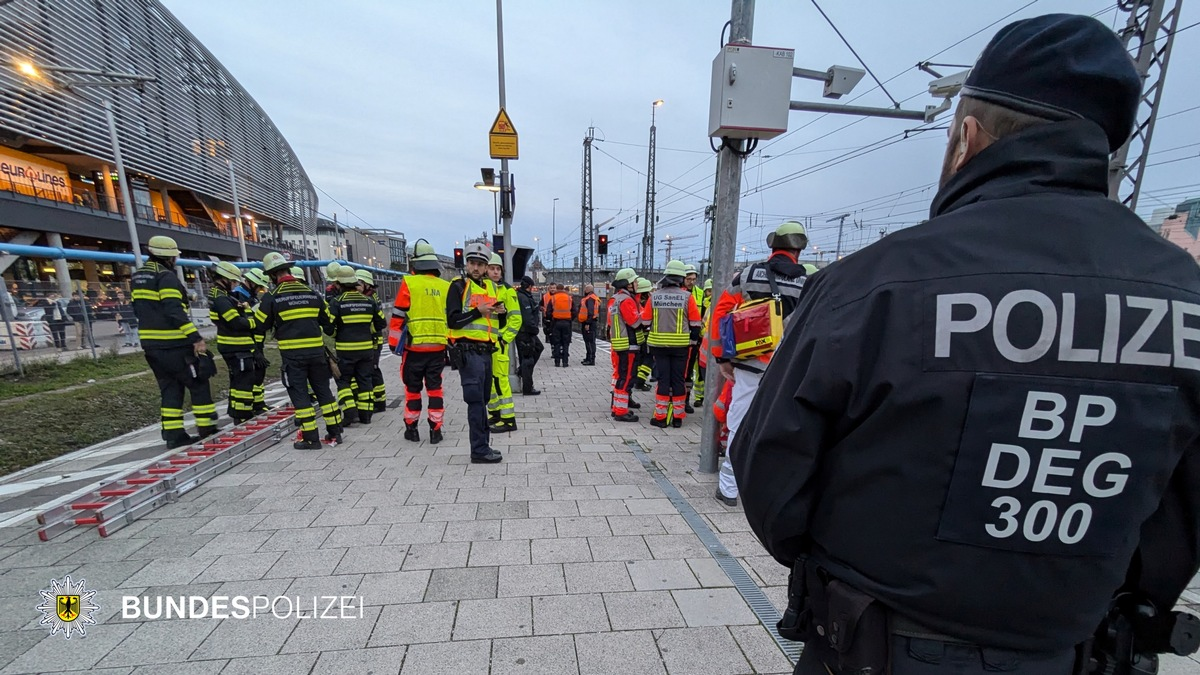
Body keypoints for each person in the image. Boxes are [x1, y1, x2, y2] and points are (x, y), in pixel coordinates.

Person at [734, 15, 1200, 675]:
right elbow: (1182, 514)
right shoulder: (1187, 299)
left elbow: (771, 478)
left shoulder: (874, 285)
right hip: (1071, 649)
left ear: (967, 138)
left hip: (877, 646)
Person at [710, 220, 809, 507]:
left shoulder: (749, 275)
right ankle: (768, 489)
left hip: (750, 363)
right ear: (798, 252)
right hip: (787, 369)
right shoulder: (808, 284)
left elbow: (721, 313)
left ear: (773, 246)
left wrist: (722, 357)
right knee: (779, 427)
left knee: (739, 423)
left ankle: (728, 489)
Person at [131, 236, 217, 448]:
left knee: (170, 389)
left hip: (151, 346)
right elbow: (174, 311)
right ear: (168, 257)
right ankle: (206, 428)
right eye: (174, 257)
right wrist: (195, 338)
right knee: (197, 382)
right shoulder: (165, 277)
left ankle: (173, 435)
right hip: (174, 344)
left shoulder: (138, 277)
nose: (175, 260)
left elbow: (137, 309)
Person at [255, 251, 343, 449]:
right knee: (324, 392)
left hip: (293, 357)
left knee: (300, 395)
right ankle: (335, 433)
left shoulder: (272, 297)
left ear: (271, 276)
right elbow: (329, 323)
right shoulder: (313, 293)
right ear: (289, 270)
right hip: (317, 354)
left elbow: (259, 326)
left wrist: (258, 346)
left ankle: (311, 438)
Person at [446, 242, 503, 463]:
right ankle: (478, 450)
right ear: (466, 264)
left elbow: (494, 322)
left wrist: (501, 312)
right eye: (472, 263)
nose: (476, 268)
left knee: (484, 399)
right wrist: (477, 312)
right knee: (475, 402)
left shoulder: (491, 288)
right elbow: (453, 320)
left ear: (487, 267)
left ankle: (484, 446)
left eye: (480, 264)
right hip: (468, 352)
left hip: (486, 351)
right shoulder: (458, 286)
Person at [390, 239, 450, 443]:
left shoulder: (410, 283)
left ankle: (412, 429)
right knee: (435, 389)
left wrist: (393, 343)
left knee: (413, 390)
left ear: (415, 263)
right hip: (438, 347)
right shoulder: (445, 286)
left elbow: (398, 315)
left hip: (414, 348)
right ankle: (436, 430)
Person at [641, 260, 701, 428]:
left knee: (663, 379)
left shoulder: (654, 296)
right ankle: (677, 417)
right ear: (681, 279)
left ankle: (660, 417)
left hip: (658, 346)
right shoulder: (687, 297)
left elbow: (645, 321)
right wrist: (692, 341)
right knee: (678, 380)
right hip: (681, 347)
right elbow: (696, 323)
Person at [327, 266, 385, 426]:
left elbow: (329, 327)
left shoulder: (336, 302)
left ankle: (350, 411)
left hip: (345, 350)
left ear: (339, 284)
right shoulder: (369, 301)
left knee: (343, 380)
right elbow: (381, 323)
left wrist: (338, 333)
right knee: (365, 380)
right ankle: (366, 415)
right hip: (366, 349)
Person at [207, 261, 258, 425]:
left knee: (237, 381)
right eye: (234, 281)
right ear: (225, 279)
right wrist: (251, 320)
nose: (235, 285)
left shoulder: (221, 296)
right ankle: (243, 414)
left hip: (233, 346)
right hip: (236, 346)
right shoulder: (221, 299)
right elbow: (235, 323)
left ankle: (237, 412)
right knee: (244, 381)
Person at [486, 253, 523, 433]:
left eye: (497, 269)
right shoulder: (483, 289)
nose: (495, 272)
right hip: (485, 342)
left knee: (501, 380)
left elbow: (516, 320)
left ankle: (508, 419)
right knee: (491, 381)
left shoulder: (508, 291)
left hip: (498, 343)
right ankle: (495, 413)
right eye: (492, 268)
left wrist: (503, 338)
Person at [608, 268, 642, 422]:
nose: (637, 284)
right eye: (635, 281)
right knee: (627, 378)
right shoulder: (627, 300)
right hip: (629, 345)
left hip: (620, 344)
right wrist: (646, 316)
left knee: (622, 377)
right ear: (628, 284)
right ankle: (621, 411)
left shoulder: (615, 299)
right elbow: (635, 322)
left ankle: (617, 408)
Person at [355, 269, 389, 414]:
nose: (356, 286)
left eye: (358, 283)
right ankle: (378, 400)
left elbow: (380, 322)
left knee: (373, 369)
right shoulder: (368, 297)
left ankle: (380, 403)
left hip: (374, 339)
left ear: (367, 285)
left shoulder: (372, 299)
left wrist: (366, 330)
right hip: (370, 339)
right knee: (371, 369)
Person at [241, 267, 272, 414]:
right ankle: (249, 408)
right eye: (259, 287)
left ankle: (259, 404)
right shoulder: (239, 296)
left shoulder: (250, 297)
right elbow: (245, 322)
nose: (260, 290)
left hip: (257, 342)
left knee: (259, 372)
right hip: (248, 343)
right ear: (252, 283)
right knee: (250, 376)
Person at [514, 276, 544, 396]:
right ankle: (527, 387)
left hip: (526, 331)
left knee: (538, 348)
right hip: (526, 332)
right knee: (527, 359)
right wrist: (534, 329)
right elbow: (527, 317)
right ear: (529, 286)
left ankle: (521, 371)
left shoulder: (524, 296)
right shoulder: (523, 298)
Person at [682, 263, 703, 413]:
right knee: (681, 372)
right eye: (688, 279)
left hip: (697, 339)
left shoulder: (700, 294)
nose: (691, 282)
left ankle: (686, 400)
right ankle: (678, 400)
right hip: (681, 338)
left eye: (694, 279)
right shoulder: (679, 294)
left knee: (690, 372)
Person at [631, 277, 655, 391]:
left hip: (637, 334)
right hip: (648, 334)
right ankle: (640, 381)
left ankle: (637, 379)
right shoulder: (649, 302)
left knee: (640, 358)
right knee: (649, 359)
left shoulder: (634, 301)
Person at [547, 283, 574, 366]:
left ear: (557, 289)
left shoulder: (553, 298)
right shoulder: (569, 298)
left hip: (556, 322)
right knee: (566, 342)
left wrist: (551, 318)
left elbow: (548, 312)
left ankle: (557, 362)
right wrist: (570, 318)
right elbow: (574, 311)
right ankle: (565, 362)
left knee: (557, 342)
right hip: (567, 322)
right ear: (563, 289)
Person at [577, 284, 600, 366]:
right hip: (590, 322)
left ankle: (591, 359)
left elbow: (590, 312)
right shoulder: (593, 298)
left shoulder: (590, 299)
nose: (584, 290)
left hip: (589, 323)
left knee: (589, 341)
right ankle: (588, 357)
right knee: (589, 341)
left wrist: (587, 323)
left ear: (587, 290)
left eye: (585, 289)